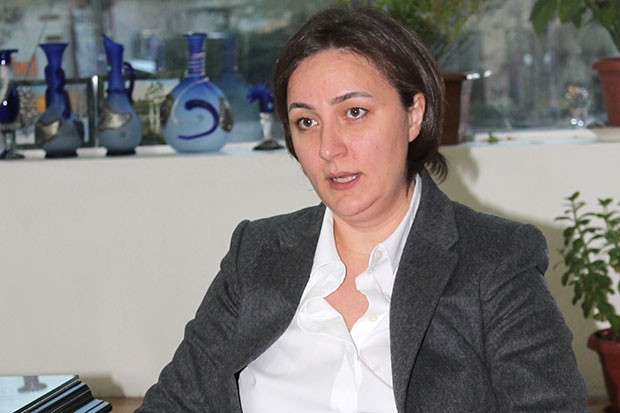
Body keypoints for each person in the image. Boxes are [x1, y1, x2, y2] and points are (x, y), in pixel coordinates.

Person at [136, 6, 588, 412]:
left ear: (413, 115)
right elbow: (174, 403)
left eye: (354, 112)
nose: (328, 148)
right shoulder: (256, 254)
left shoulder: (496, 259)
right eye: (306, 122)